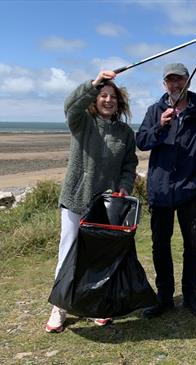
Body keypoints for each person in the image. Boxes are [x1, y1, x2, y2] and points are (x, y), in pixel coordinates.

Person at [46, 70, 138, 333]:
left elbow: (129, 164)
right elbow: (69, 105)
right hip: (76, 198)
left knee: (98, 258)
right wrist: (93, 82)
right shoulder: (82, 122)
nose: (108, 100)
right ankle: (60, 308)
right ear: (95, 100)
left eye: (113, 97)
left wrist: (124, 186)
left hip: (105, 203)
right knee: (68, 254)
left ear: (119, 103)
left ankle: (96, 305)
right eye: (103, 96)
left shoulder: (125, 132)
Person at [136, 63, 196, 318]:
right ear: (164, 85)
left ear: (188, 81)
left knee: (193, 244)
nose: (175, 85)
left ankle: (191, 294)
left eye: (179, 80)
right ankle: (164, 297)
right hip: (160, 192)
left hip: (190, 192)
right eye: (170, 81)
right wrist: (160, 126)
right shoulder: (154, 110)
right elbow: (142, 141)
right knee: (160, 245)